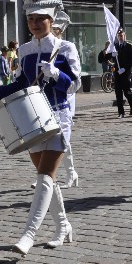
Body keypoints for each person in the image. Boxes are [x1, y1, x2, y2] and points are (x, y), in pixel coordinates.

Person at [0, 0, 81, 255]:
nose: (35, 24)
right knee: (46, 179)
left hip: (58, 116)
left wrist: (58, 74)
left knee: (44, 176)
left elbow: (73, 86)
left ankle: (28, 234)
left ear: (52, 20)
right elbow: (22, 84)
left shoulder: (66, 48)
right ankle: (63, 226)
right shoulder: (25, 51)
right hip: (31, 118)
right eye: (31, 20)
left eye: (41, 19)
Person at [52, 10, 79, 187]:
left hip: (64, 99)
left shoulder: (66, 47)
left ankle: (52, 173)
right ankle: (70, 173)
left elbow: (74, 80)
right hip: (47, 102)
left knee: (62, 139)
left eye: (54, 28)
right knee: (54, 140)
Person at [113, 29, 132, 117]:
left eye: (121, 35)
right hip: (117, 73)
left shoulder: (129, 46)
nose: (120, 37)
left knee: (127, 92)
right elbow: (103, 58)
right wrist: (112, 55)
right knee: (118, 93)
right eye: (119, 36)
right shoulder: (115, 47)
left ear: (124, 36)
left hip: (125, 73)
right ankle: (121, 112)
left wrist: (125, 68)